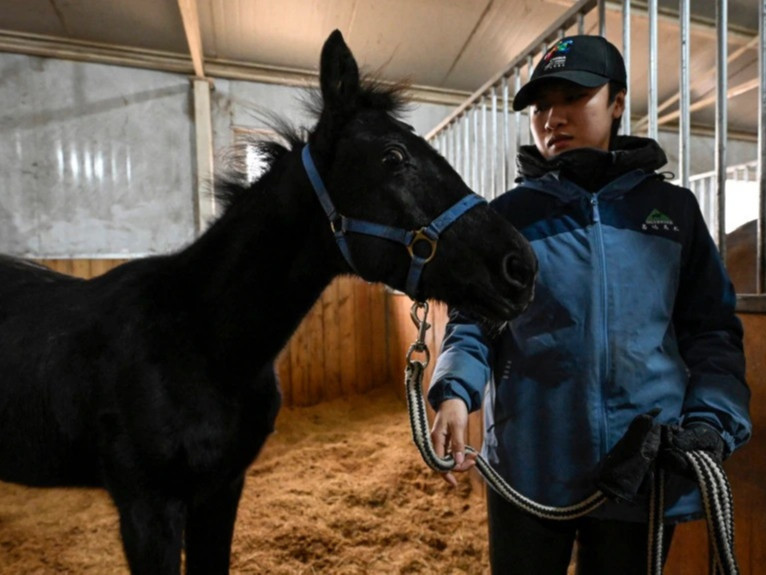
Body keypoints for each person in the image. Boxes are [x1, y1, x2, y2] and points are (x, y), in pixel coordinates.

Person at [427, 35, 752, 574]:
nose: (552, 117)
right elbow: (474, 323)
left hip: (641, 466)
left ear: (617, 102)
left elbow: (712, 331)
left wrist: (711, 421)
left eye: (573, 97)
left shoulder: (673, 211)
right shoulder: (508, 217)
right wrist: (456, 391)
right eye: (540, 106)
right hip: (530, 466)